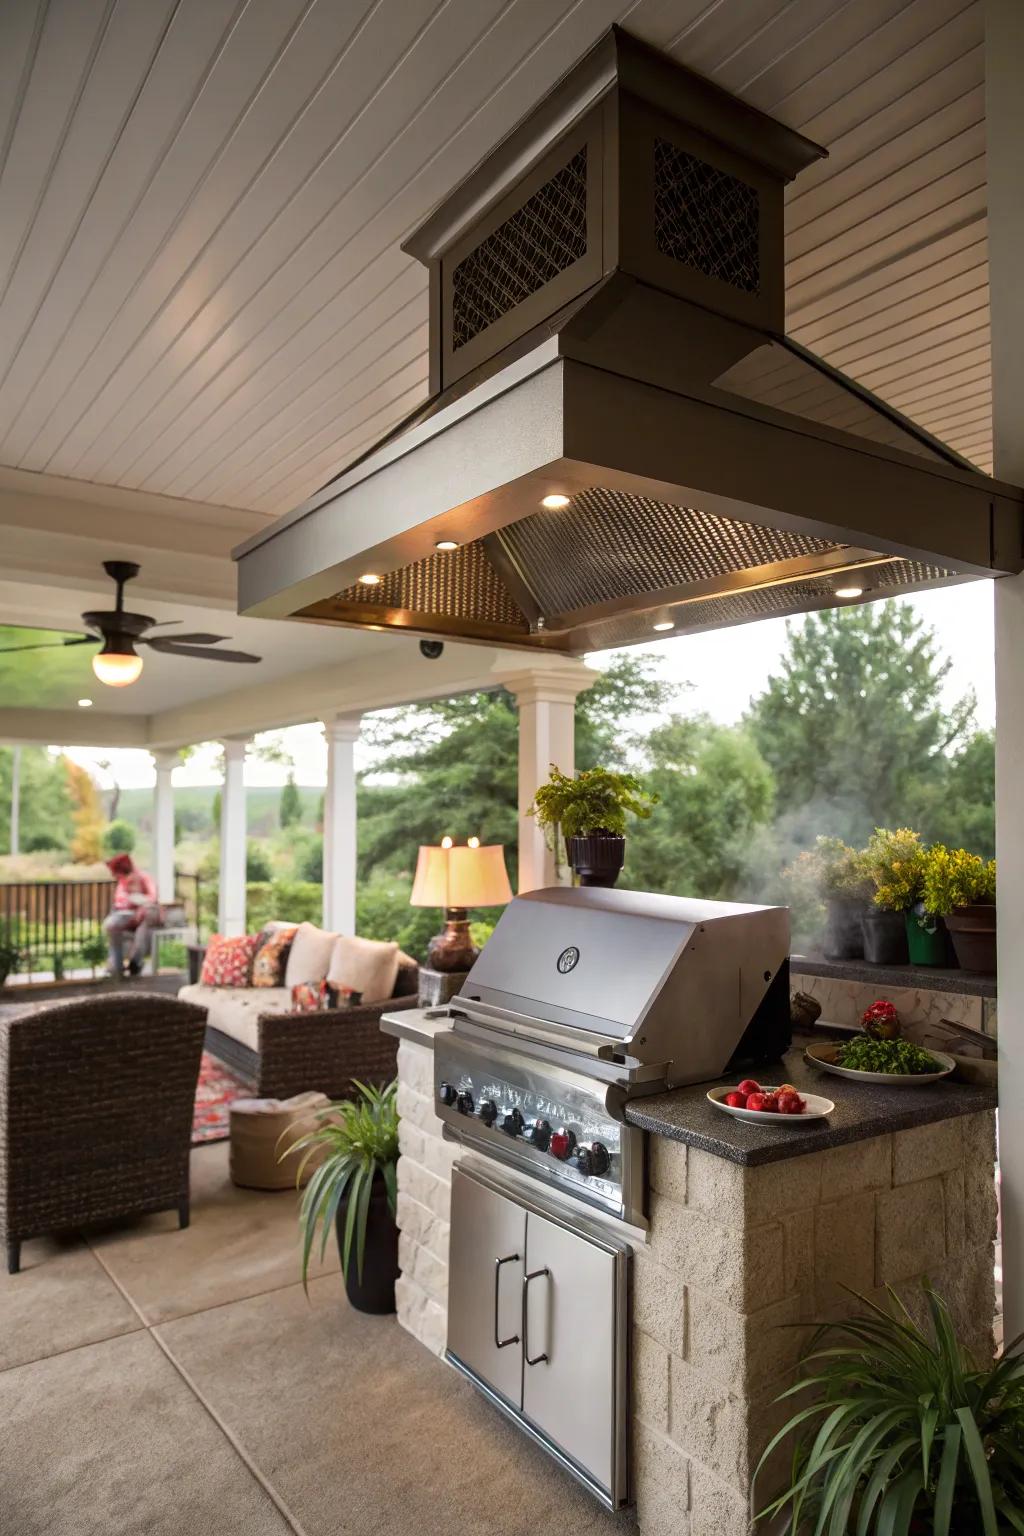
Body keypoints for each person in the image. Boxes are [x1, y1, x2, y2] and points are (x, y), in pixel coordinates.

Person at [103, 854, 159, 976]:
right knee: (112, 927)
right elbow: (119, 901)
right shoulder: (123, 881)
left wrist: (141, 908)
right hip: (126, 915)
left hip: (145, 914)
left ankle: (136, 962)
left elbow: (153, 897)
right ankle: (116, 966)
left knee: (144, 924)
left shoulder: (144, 877)